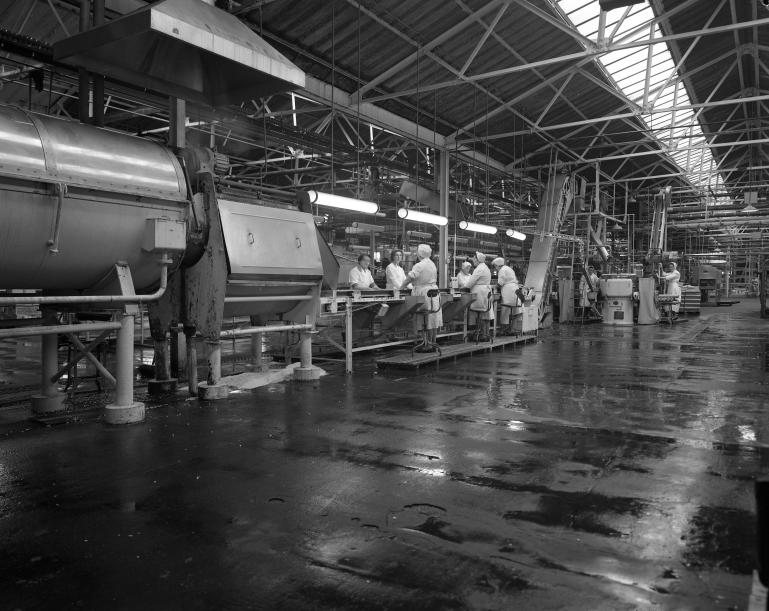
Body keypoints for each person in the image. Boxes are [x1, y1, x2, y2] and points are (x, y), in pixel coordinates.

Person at [401, 244, 442, 351]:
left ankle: (425, 344)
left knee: (423, 319)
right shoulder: (432, 264)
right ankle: (432, 343)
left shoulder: (419, 265)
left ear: (419, 254)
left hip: (423, 294)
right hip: (434, 294)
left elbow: (409, 278)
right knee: (432, 320)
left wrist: (400, 288)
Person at [464, 251, 494, 340]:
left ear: (477, 259)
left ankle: (482, 334)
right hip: (485, 292)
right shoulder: (485, 267)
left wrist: (465, 287)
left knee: (481, 314)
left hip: (481, 294)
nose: (473, 260)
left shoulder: (479, 268)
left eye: (474, 258)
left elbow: (471, 281)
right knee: (486, 315)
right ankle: (485, 334)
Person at [492, 257, 520, 335]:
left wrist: (494, 287)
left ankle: (503, 330)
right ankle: (512, 329)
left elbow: (500, 282)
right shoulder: (508, 268)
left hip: (508, 291)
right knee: (514, 311)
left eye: (495, 266)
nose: (495, 268)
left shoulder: (502, 270)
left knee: (505, 310)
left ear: (497, 265)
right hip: (514, 290)